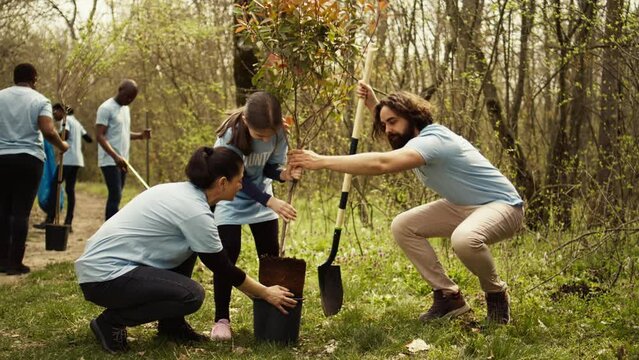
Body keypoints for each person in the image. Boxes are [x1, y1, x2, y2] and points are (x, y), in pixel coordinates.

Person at [289, 82, 524, 325]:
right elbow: (396, 139)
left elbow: (383, 163)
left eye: (392, 122)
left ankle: (496, 293)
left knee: (464, 239)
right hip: (462, 206)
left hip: (504, 206)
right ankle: (449, 297)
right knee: (403, 225)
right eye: (383, 124)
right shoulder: (414, 140)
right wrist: (373, 104)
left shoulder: (434, 139)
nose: (387, 130)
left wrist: (321, 160)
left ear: (414, 117)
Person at [75, 146, 297, 354]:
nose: (241, 186)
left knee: (191, 247)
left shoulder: (182, 192)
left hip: (106, 269)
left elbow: (209, 256)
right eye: (239, 181)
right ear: (222, 183)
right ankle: (111, 322)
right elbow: (223, 267)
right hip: (104, 277)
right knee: (191, 295)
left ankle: (172, 324)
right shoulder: (195, 212)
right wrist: (266, 293)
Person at [209, 91, 302, 341]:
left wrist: (283, 175)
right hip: (229, 197)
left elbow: (268, 167)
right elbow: (239, 180)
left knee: (269, 257)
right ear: (247, 122)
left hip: (261, 200)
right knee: (227, 257)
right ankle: (221, 319)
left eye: (269, 135)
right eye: (260, 135)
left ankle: (270, 311)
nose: (265, 138)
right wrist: (271, 201)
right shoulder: (228, 137)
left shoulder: (278, 132)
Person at [0, 63, 69, 275]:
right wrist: (62, 145)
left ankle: (1, 260)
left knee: (2, 211)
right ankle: (14, 264)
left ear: (14, 77)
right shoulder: (40, 100)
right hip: (29, 160)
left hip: (1, 158)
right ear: (34, 78)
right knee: (21, 213)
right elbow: (48, 131)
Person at [96, 79, 151, 220]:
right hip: (110, 160)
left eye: (132, 98)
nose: (129, 100)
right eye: (127, 96)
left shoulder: (125, 109)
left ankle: (112, 229)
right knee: (115, 195)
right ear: (120, 90)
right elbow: (100, 136)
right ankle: (109, 232)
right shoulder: (106, 108)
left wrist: (140, 136)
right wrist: (115, 157)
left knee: (118, 195)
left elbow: (123, 133)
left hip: (123, 160)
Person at [34, 104, 92, 231]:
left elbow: (64, 136)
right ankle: (68, 222)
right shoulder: (77, 122)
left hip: (67, 160)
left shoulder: (66, 121)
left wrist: (56, 135)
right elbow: (88, 139)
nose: (54, 115)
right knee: (70, 190)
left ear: (62, 111)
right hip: (78, 161)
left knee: (55, 186)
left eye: (55, 111)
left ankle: (50, 219)